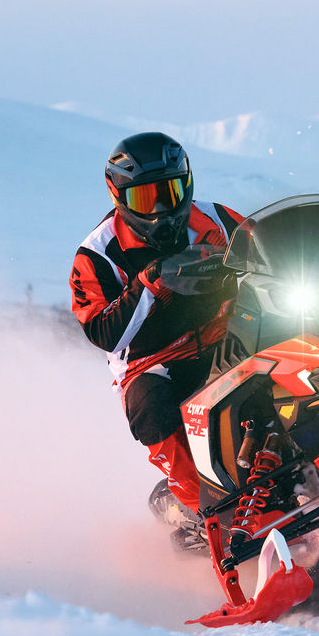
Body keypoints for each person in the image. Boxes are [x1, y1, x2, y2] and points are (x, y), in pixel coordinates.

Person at [69, 132, 243, 523]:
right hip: (153, 362)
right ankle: (206, 511)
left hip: (225, 334)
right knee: (151, 406)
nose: (161, 209)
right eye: (146, 198)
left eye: (170, 192)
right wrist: (150, 283)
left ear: (187, 184)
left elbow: (269, 245)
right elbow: (104, 332)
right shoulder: (97, 254)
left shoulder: (217, 219)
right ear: (119, 197)